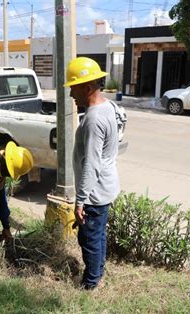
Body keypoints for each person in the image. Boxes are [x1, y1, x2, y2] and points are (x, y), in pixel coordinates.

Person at [63, 57, 120, 290]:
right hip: (105, 185)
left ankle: (90, 282)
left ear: (88, 88)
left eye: (73, 88)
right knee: (97, 235)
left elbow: (92, 164)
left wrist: (81, 200)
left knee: (88, 238)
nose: (71, 95)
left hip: (95, 192)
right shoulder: (108, 106)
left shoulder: (94, 119)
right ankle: (98, 271)